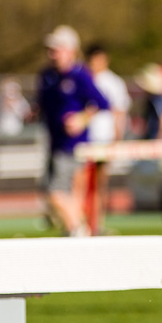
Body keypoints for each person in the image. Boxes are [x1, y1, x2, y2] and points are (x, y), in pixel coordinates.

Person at [36, 25, 107, 235]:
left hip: (72, 145)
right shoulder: (47, 76)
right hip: (54, 141)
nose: (52, 54)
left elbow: (102, 103)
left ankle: (77, 228)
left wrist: (82, 119)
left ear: (70, 50)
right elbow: (43, 105)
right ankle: (75, 228)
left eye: (57, 49)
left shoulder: (80, 75)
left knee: (55, 191)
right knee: (60, 192)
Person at [84, 43, 130, 233]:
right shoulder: (83, 78)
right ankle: (78, 222)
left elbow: (120, 112)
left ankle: (96, 222)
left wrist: (116, 136)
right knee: (81, 182)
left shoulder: (113, 82)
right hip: (83, 139)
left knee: (99, 183)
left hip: (103, 138)